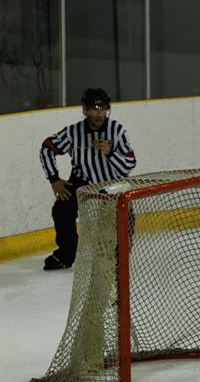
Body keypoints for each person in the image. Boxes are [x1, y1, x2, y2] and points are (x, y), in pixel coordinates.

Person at [38, 87, 137, 270]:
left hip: (113, 182)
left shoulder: (117, 131)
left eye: (102, 108)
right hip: (82, 180)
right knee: (61, 210)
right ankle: (67, 254)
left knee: (125, 213)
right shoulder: (73, 132)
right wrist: (54, 179)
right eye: (94, 108)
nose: (99, 113)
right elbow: (47, 147)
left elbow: (129, 165)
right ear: (85, 110)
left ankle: (120, 253)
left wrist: (110, 153)